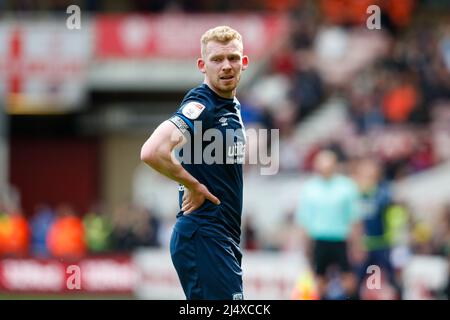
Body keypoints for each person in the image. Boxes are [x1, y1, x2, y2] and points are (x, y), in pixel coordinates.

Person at [140, 26, 249, 300]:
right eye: (217, 59)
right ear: (202, 65)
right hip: (204, 235)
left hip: (219, 237)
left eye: (233, 58)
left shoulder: (229, 106)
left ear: (244, 62)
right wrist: (192, 183)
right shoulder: (203, 103)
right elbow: (152, 151)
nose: (226, 66)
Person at [296, 149, 361, 299]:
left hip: (340, 238)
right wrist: (306, 246)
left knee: (349, 280)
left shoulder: (347, 187)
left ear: (335, 165)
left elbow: (354, 218)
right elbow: (304, 220)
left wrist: (357, 244)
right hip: (319, 239)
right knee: (319, 280)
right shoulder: (309, 188)